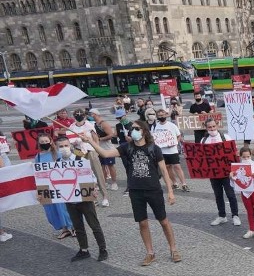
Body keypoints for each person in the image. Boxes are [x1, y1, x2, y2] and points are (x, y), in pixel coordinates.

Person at [84, 120, 181, 266]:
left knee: (164, 221)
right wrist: (90, 141)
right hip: (135, 191)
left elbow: (164, 171)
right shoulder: (126, 148)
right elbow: (104, 153)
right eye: (131, 129)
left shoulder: (154, 148)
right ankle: (150, 253)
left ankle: (173, 249)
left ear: (144, 131)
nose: (133, 131)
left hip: (153, 189)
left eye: (136, 128)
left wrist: (170, 192)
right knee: (142, 223)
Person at [49, 136, 109, 262]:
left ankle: (103, 249)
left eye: (66, 145)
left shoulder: (80, 159)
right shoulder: (56, 164)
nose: (64, 148)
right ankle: (84, 250)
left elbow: (91, 177)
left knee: (94, 225)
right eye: (61, 146)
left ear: (70, 146)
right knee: (78, 226)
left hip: (85, 200)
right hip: (70, 201)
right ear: (57, 148)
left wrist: (94, 188)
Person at [34, 134, 77, 240]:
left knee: (63, 207)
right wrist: (38, 190)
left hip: (59, 185)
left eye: (46, 141)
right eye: (42, 142)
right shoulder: (38, 157)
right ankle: (64, 229)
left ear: (51, 141)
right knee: (52, 210)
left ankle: (73, 227)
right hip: (46, 186)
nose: (44, 143)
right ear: (39, 143)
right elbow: (37, 174)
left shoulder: (57, 154)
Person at [201, 119, 241, 227]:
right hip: (213, 174)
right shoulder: (204, 140)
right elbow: (201, 158)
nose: (212, 129)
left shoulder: (226, 138)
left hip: (227, 173)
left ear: (217, 126)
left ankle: (235, 215)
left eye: (214, 126)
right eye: (210, 127)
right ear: (206, 128)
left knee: (230, 194)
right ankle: (222, 216)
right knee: (218, 195)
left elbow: (234, 153)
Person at [67, 108, 111, 208]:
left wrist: (97, 150)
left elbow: (95, 139)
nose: (79, 116)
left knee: (98, 173)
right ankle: (92, 197)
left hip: (90, 150)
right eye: (76, 115)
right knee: (84, 175)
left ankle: (105, 197)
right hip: (78, 152)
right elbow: (70, 140)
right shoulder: (71, 127)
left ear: (84, 116)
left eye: (81, 115)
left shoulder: (89, 125)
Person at [231, 146, 254, 239]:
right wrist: (231, 177)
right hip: (245, 192)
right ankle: (252, 229)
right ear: (240, 156)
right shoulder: (237, 167)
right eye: (244, 157)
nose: (246, 159)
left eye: (248, 156)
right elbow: (236, 182)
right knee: (249, 211)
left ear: (251, 156)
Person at [151, 108, 188, 192]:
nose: (161, 117)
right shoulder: (155, 126)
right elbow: (153, 137)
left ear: (166, 115)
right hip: (161, 151)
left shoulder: (172, 125)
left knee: (177, 166)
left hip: (172, 150)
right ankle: (175, 183)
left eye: (163, 115)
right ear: (157, 116)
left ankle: (184, 184)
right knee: (168, 167)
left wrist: (175, 142)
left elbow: (179, 136)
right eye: (159, 116)